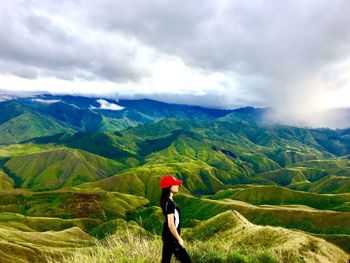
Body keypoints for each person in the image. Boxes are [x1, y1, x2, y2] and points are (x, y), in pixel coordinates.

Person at [159, 175, 191, 263]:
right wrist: (179, 239)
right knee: (186, 261)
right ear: (169, 187)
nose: (178, 186)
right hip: (171, 238)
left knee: (165, 260)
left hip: (167, 236)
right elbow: (171, 224)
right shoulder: (170, 203)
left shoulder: (166, 201)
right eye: (175, 184)